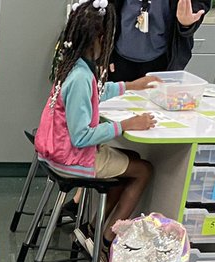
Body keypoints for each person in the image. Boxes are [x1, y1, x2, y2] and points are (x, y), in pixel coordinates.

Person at [38, 0, 159, 243]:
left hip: (58, 150)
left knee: (131, 159)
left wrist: (130, 86)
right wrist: (125, 125)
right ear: (101, 39)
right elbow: (81, 136)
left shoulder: (73, 66)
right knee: (144, 170)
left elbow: (94, 93)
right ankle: (105, 238)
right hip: (71, 158)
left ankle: (93, 229)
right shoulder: (81, 77)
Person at [108, 0, 209, 83]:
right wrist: (106, 55)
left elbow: (198, 5)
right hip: (117, 59)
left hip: (163, 60)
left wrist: (186, 24)